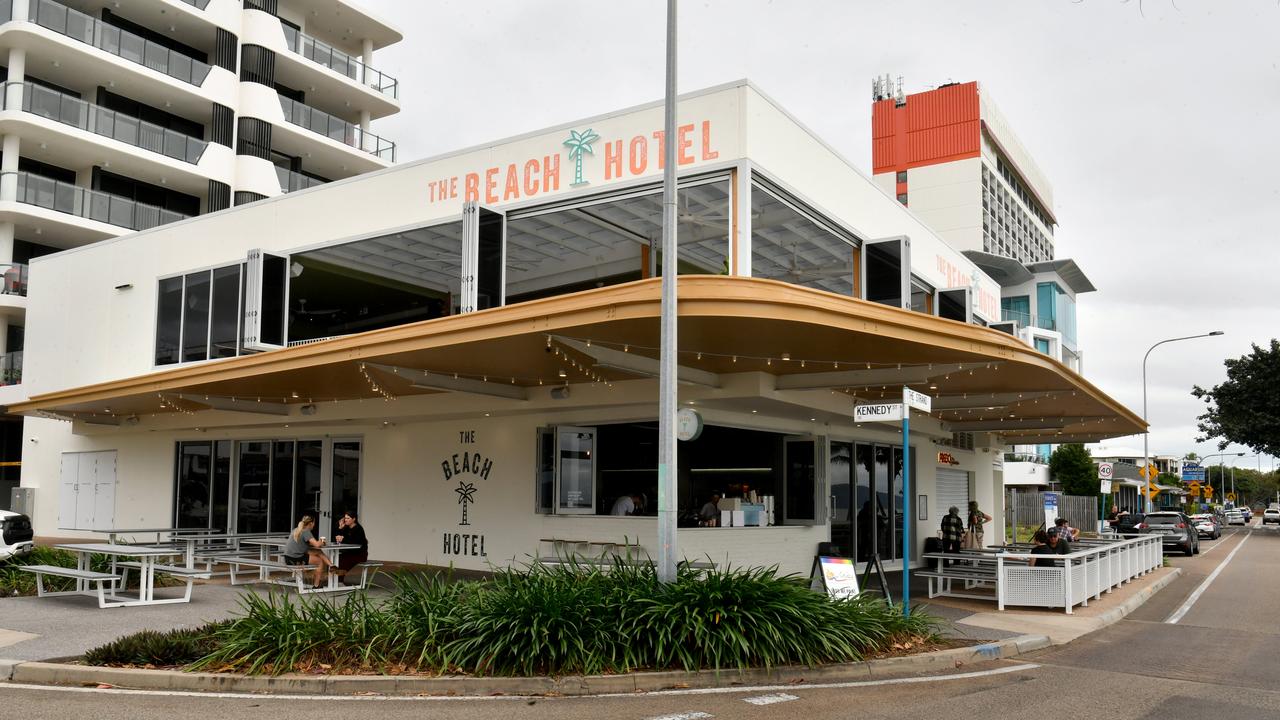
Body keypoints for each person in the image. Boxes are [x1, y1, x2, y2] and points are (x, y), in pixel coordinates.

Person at [283, 514, 330, 588]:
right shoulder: (306, 531)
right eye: (314, 523)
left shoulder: (296, 529)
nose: (314, 525)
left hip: (288, 558)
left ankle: (332, 566)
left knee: (317, 552)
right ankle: (316, 585)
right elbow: (317, 545)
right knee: (319, 561)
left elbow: (303, 546)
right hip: (295, 559)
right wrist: (322, 540)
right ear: (311, 523)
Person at [332, 510, 369, 580]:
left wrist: (343, 539)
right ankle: (335, 581)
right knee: (335, 559)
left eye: (348, 518)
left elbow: (356, 543)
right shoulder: (346, 528)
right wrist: (340, 528)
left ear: (354, 519)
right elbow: (337, 539)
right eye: (345, 518)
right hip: (349, 552)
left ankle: (339, 581)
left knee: (342, 561)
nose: (345, 520)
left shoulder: (358, 529)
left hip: (359, 554)